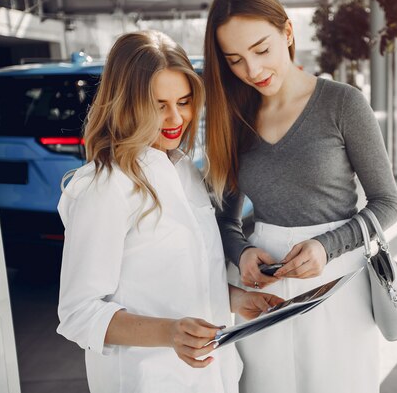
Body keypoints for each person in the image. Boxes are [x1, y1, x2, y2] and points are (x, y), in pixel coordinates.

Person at [56, 30, 282, 393]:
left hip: (211, 376)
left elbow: (181, 277)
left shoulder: (183, 170)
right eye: (158, 104)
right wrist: (170, 333)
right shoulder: (105, 187)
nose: (175, 117)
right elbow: (78, 312)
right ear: (125, 103)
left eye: (185, 100)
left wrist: (238, 298)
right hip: (147, 380)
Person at [202, 0, 397, 393]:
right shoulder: (234, 119)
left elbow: (387, 204)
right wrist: (241, 254)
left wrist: (326, 246)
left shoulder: (342, 104)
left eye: (261, 50)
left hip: (338, 279)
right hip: (263, 288)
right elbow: (225, 218)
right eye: (235, 60)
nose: (253, 71)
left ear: (287, 33)